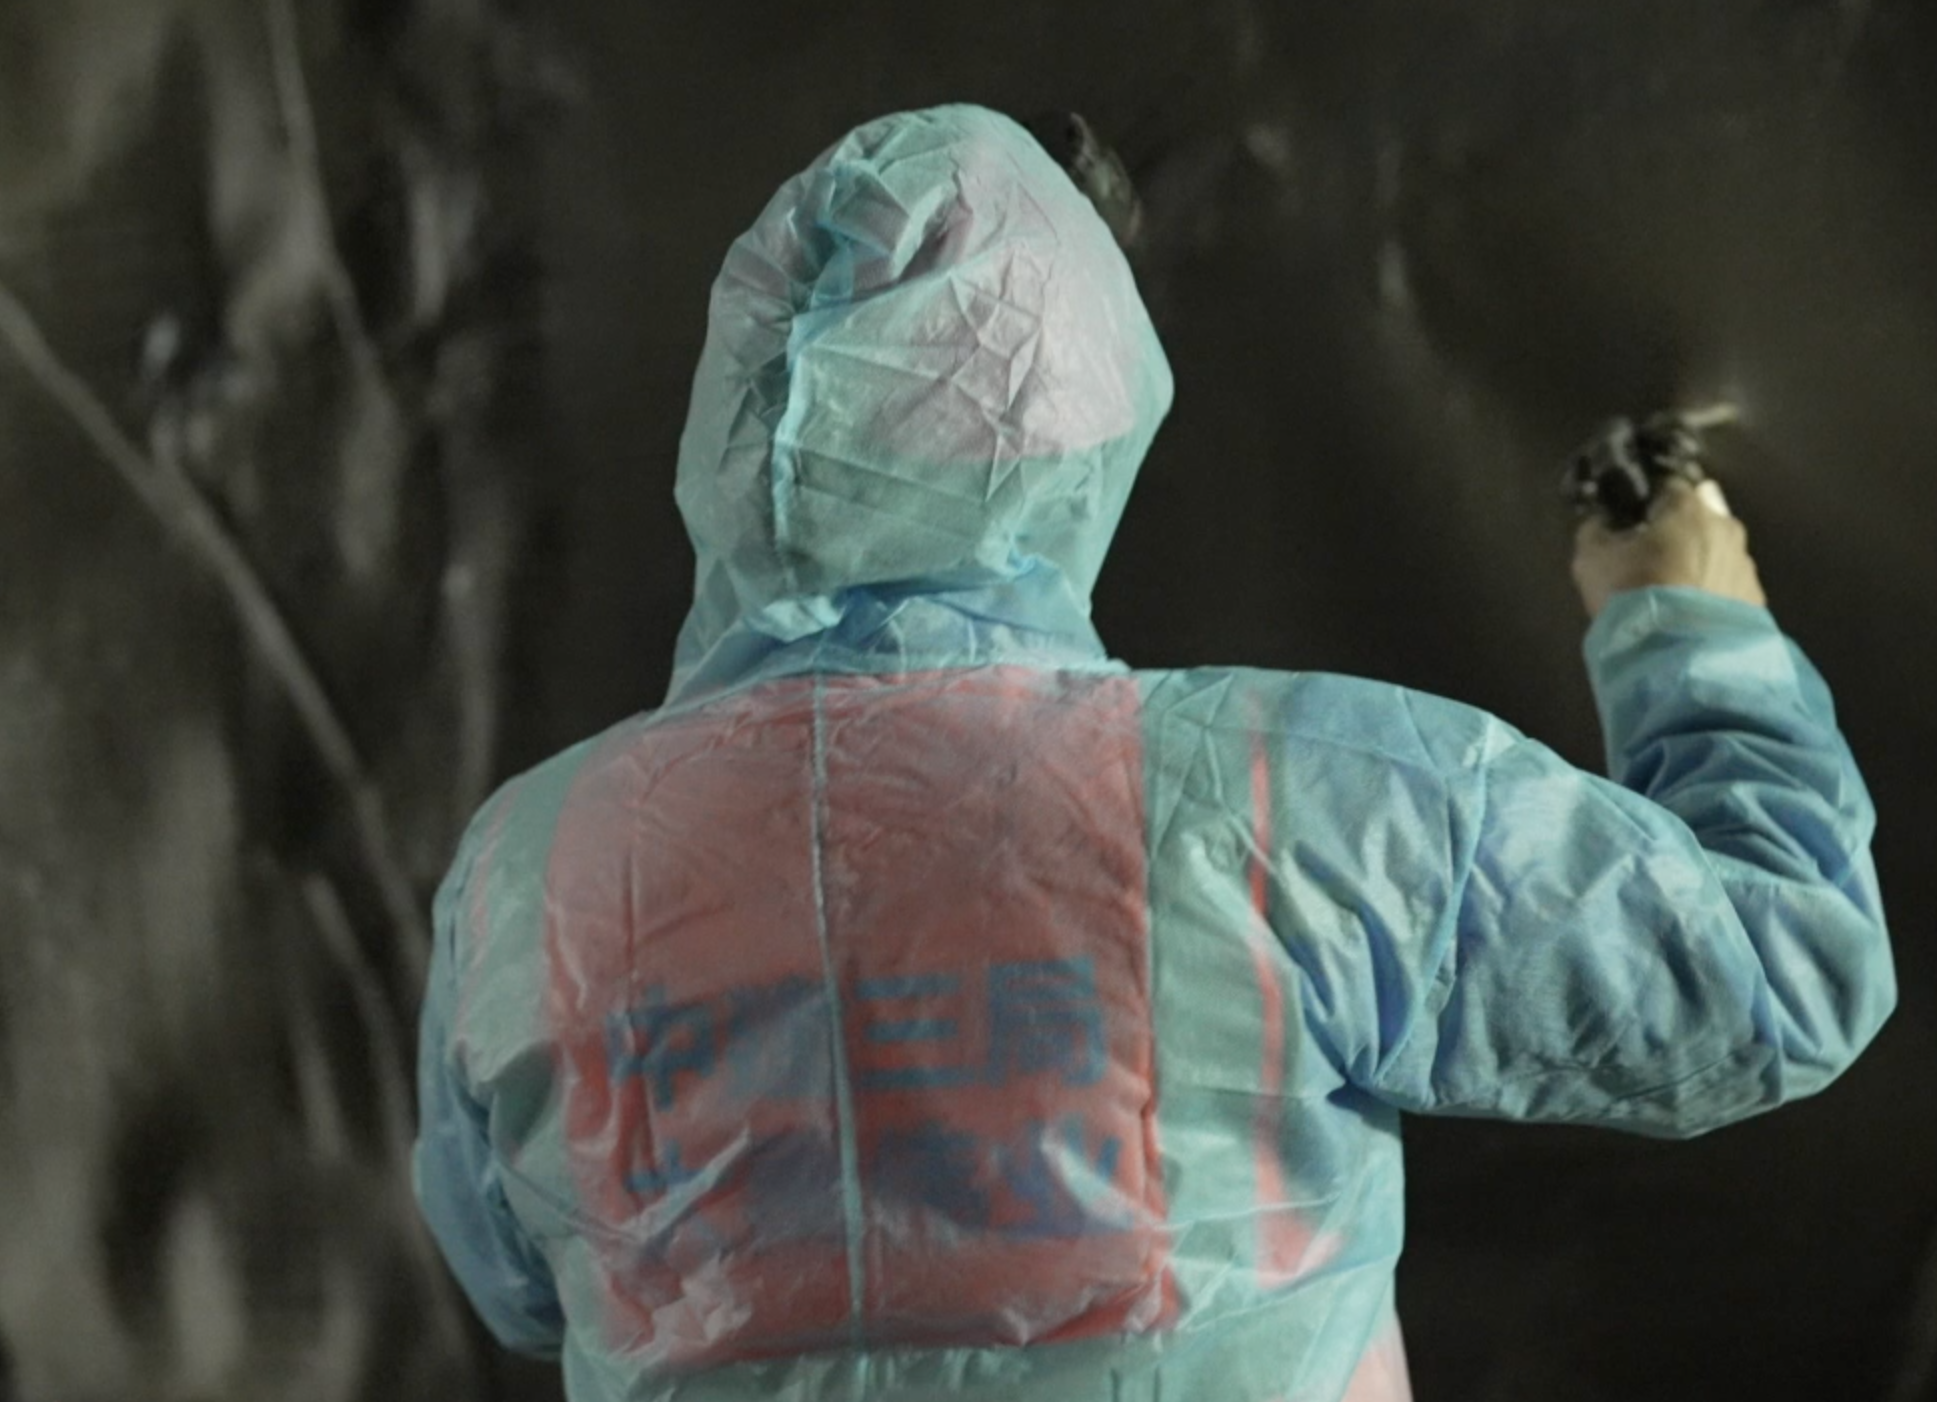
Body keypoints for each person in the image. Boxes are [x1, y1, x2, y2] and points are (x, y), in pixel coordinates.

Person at [410, 104, 1893, 1402]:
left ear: (735, 421)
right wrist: (1681, 616)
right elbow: (1778, 974)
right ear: (1083, 402)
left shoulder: (527, 873)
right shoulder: (1278, 798)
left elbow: (523, 1287)